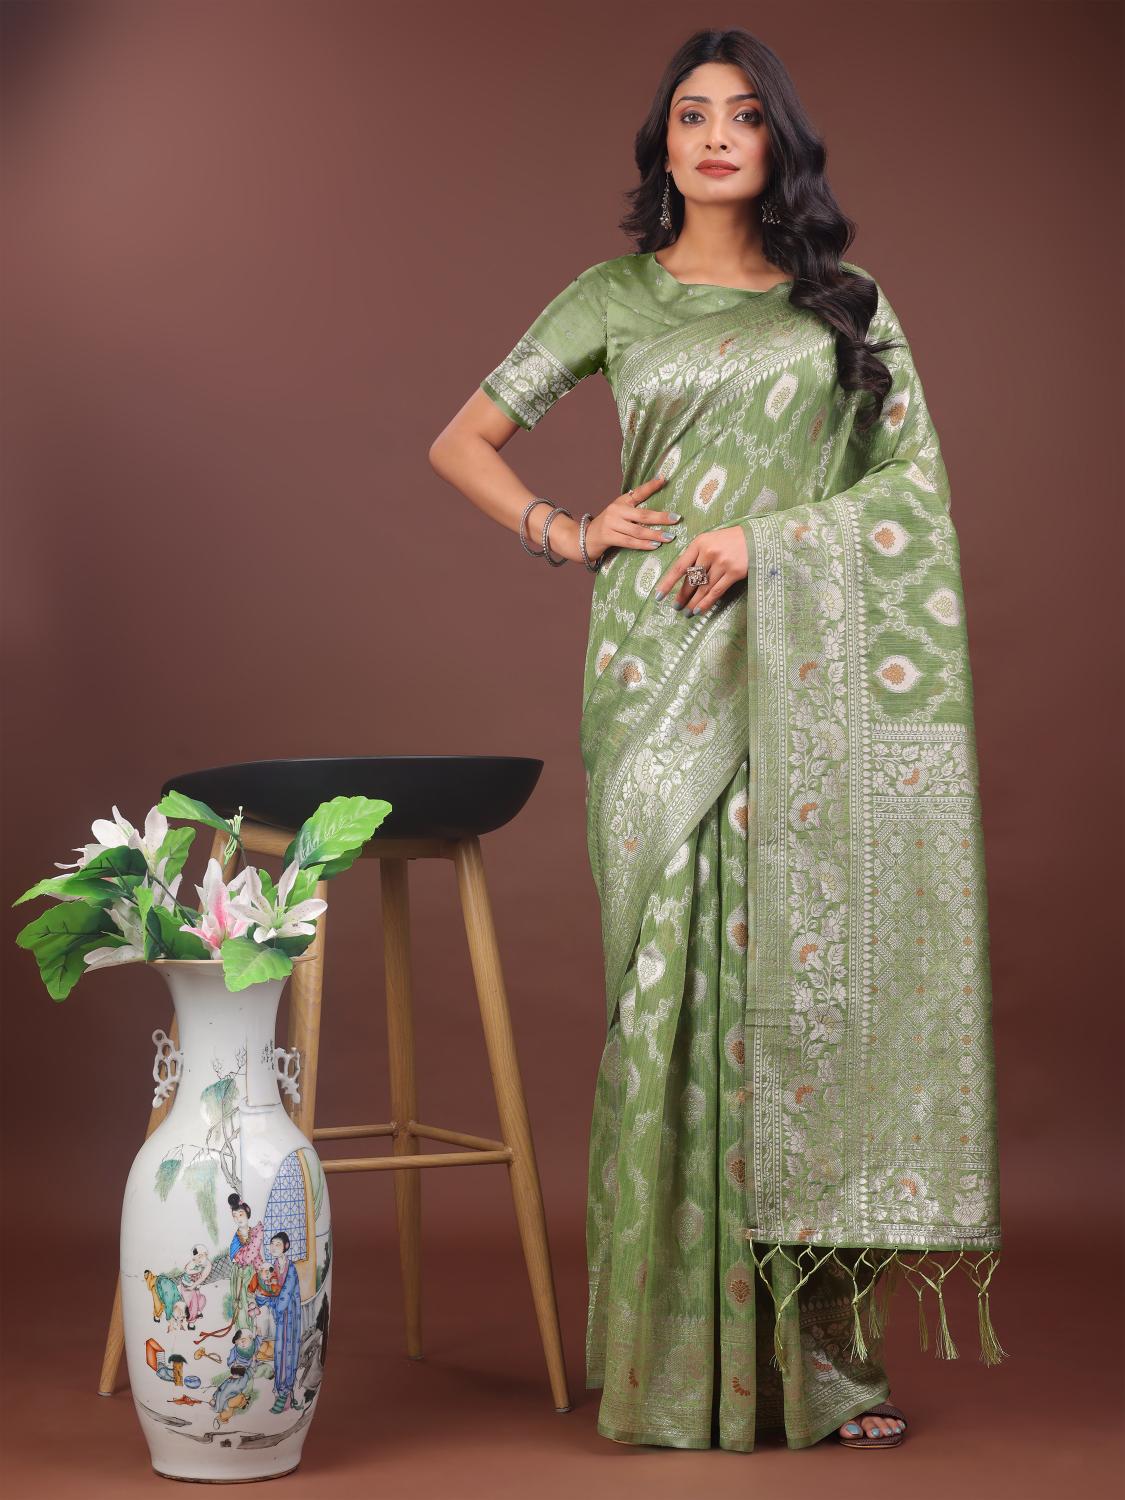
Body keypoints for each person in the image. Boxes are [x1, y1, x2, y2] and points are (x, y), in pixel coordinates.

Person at [429, 26, 1005, 1454]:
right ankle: (670, 1366)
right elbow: (461, 441)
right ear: (665, 145)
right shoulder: (613, 295)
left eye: (743, 115)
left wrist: (765, 541)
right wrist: (568, 530)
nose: (715, 136)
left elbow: (911, 496)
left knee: (797, 991)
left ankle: (822, 1374)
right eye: (691, 115)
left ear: (777, 141)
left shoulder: (846, 305)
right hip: (655, 667)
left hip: (801, 680)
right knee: (668, 995)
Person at [253, 1232, 302, 1415]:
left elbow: (285, 1294)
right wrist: (261, 1296)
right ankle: (283, 1392)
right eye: (272, 1244)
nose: (273, 1247)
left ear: (286, 1246)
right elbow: (269, 1290)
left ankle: (286, 1391)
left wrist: (271, 1301)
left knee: (288, 1351)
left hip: (290, 1316)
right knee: (279, 1352)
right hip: (279, 1317)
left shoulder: (291, 1269)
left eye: (278, 1244)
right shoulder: (272, 1267)